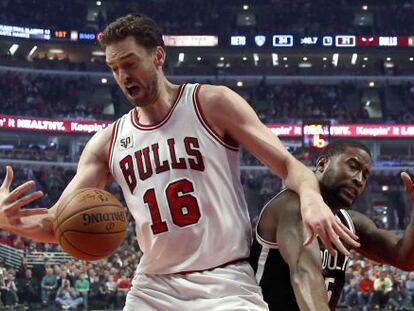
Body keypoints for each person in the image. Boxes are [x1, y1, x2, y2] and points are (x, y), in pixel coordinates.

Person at [0, 14, 358, 310]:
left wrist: (311, 199)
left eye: (130, 63)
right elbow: (57, 222)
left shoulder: (211, 103)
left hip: (226, 282)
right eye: (114, 68)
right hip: (153, 288)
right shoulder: (106, 144)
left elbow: (290, 166)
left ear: (158, 57)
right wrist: (8, 222)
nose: (123, 77)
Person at [250, 140, 414, 310]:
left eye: (365, 175)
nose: (359, 180)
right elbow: (306, 274)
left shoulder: (351, 222)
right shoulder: (292, 206)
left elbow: (406, 259)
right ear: (322, 164)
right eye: (353, 166)